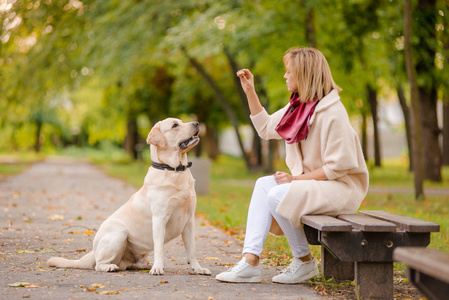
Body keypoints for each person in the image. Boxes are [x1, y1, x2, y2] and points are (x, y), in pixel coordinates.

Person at [215, 47, 369, 284]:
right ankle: (250, 261)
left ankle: (304, 262)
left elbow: (337, 168)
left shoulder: (333, 112)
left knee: (278, 193)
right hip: (317, 185)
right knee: (264, 184)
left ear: (305, 75)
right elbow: (266, 128)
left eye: (289, 72)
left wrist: (295, 180)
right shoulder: (299, 107)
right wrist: (250, 92)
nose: (285, 76)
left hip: (341, 188)